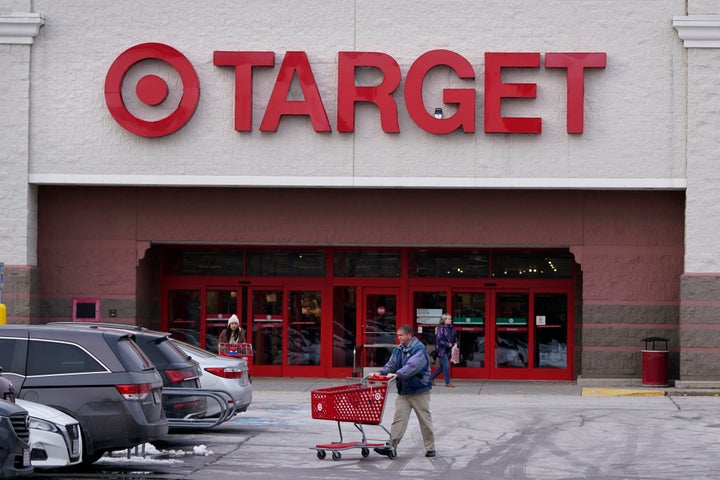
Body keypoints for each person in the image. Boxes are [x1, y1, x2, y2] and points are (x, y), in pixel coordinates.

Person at [374, 324, 436, 458]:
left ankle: (430, 448)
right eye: (398, 335)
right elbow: (392, 364)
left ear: (409, 335)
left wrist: (397, 374)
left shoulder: (419, 349)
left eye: (401, 335)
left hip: (419, 390)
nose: (398, 337)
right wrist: (381, 372)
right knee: (399, 419)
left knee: (424, 420)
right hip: (404, 391)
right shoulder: (399, 349)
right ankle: (391, 446)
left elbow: (412, 366)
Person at [430, 313, 458, 387]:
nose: (450, 320)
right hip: (441, 349)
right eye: (449, 319)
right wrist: (447, 344)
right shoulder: (441, 328)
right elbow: (439, 340)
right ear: (444, 320)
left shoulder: (451, 328)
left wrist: (455, 342)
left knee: (443, 367)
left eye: (451, 319)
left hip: (448, 350)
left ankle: (430, 379)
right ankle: (447, 382)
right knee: (446, 366)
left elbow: (454, 336)